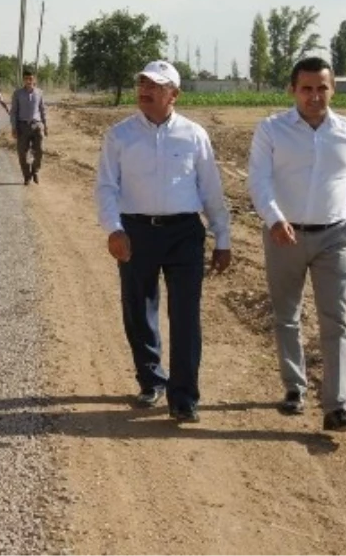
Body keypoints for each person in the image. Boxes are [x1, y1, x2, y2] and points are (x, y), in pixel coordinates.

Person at [94, 59, 232, 423]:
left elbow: (211, 190)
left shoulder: (193, 135)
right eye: (142, 83)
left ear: (174, 94)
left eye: (156, 85)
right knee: (138, 308)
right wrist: (114, 229)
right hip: (136, 231)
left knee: (186, 315)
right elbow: (107, 186)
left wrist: (223, 237)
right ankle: (151, 379)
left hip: (185, 233)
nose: (146, 90)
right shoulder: (120, 136)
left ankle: (184, 396)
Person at [247, 56, 346, 433]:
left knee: (337, 321)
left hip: (335, 237)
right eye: (307, 89)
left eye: (322, 88)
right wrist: (274, 218)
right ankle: (294, 389)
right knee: (287, 315)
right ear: (293, 91)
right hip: (285, 234)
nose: (315, 96)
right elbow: (259, 181)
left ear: (333, 89)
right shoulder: (271, 130)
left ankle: (337, 405)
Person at [11, 70, 48, 185]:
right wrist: (14, 127)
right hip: (22, 126)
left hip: (37, 125)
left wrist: (45, 125)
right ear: (23, 80)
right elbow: (14, 112)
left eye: (31, 78)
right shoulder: (17, 93)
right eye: (26, 79)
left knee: (40, 151)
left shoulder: (39, 92)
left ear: (34, 80)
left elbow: (42, 110)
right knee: (22, 152)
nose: (29, 81)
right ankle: (26, 176)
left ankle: (35, 171)